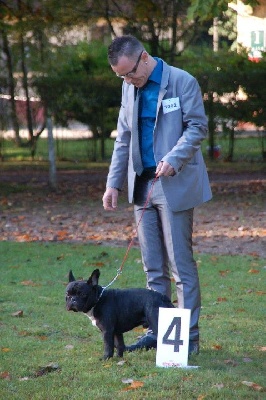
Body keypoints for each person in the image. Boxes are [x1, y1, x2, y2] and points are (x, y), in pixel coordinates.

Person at [102, 35, 212, 356]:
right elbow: (123, 137)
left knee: (181, 266)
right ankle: (159, 333)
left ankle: (187, 340)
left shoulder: (182, 82)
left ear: (144, 58)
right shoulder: (129, 87)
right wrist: (114, 183)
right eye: (121, 77)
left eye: (130, 73)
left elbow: (197, 127)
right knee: (153, 268)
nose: (128, 81)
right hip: (141, 186)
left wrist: (174, 158)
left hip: (173, 183)